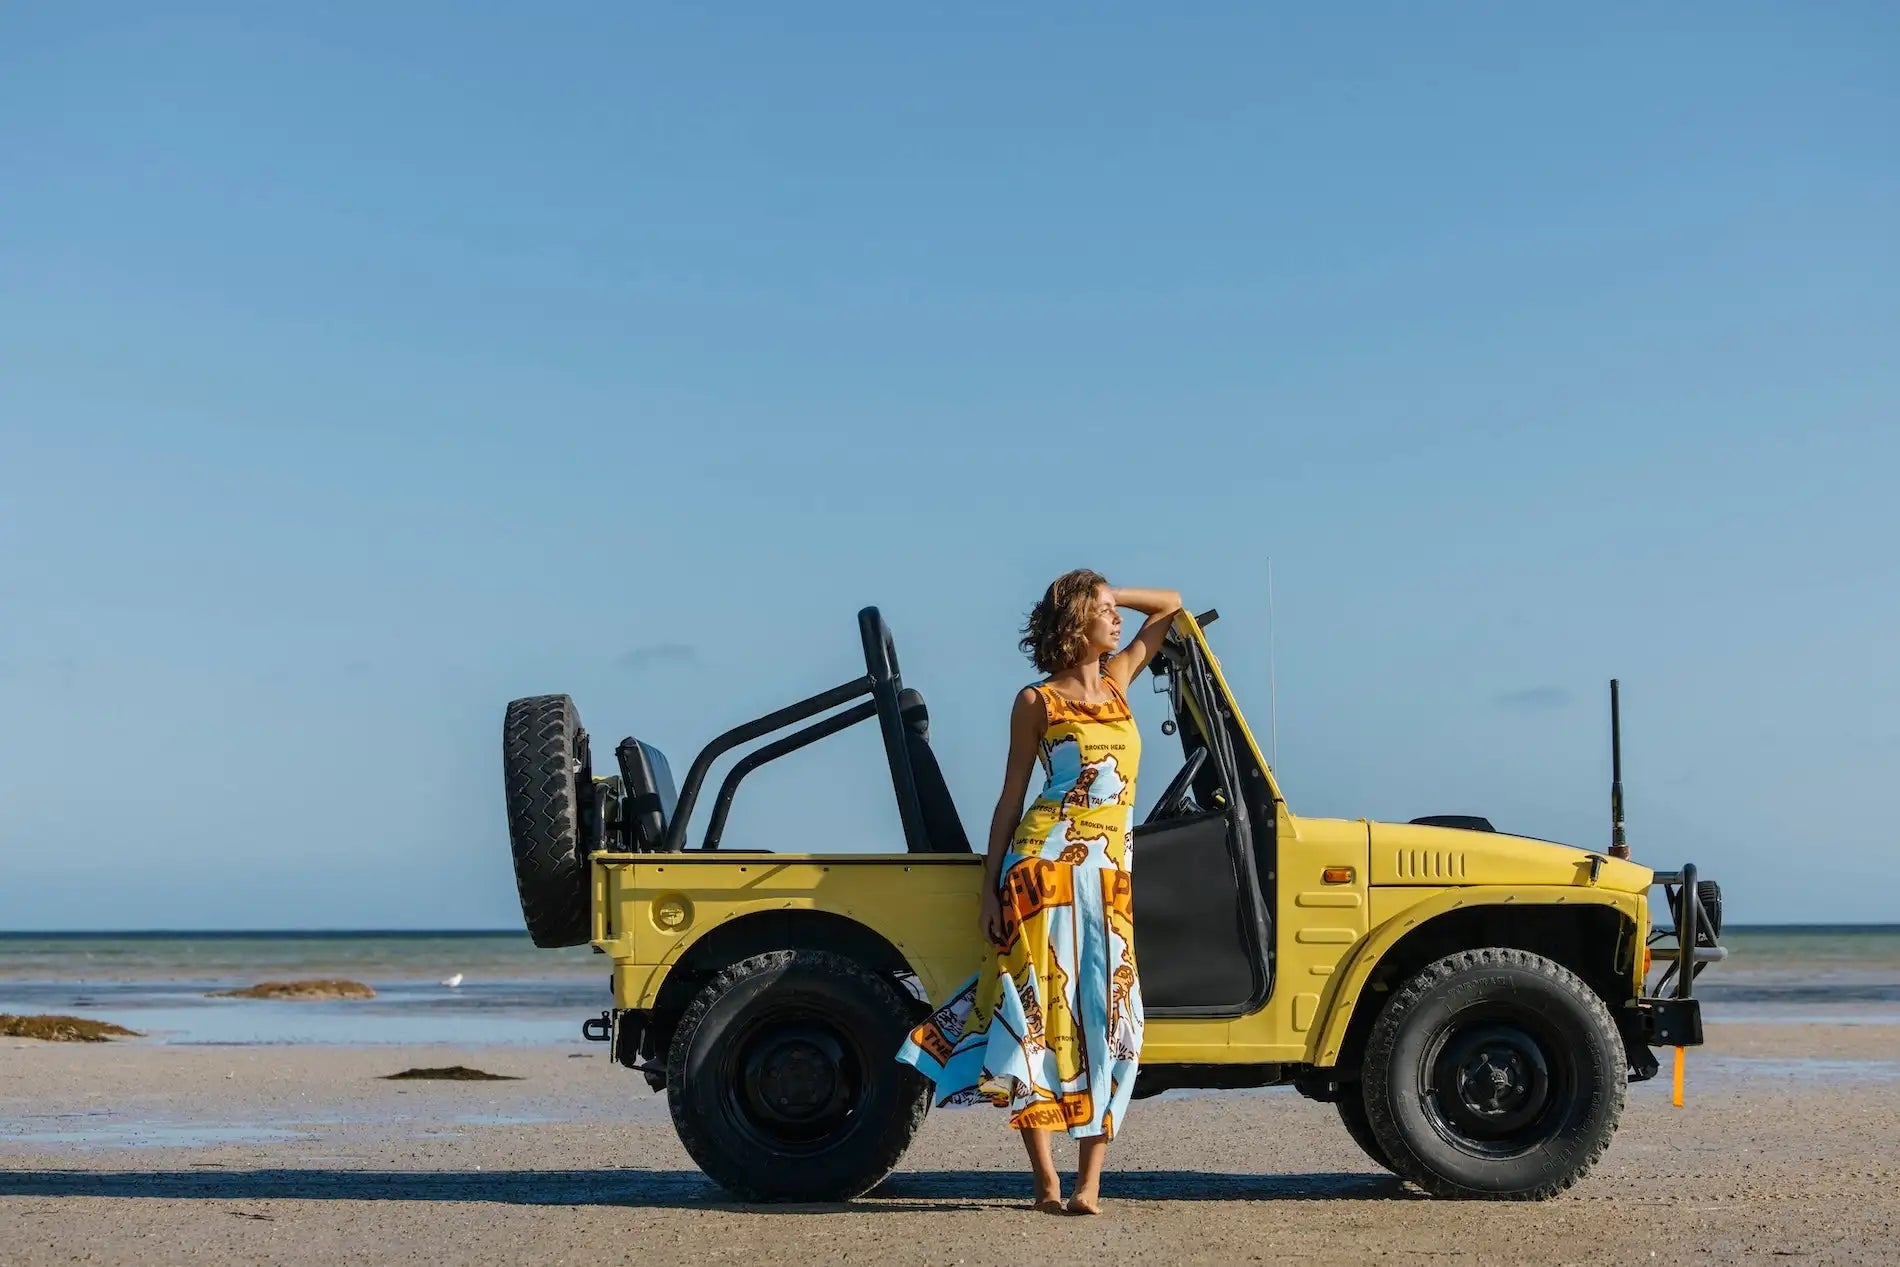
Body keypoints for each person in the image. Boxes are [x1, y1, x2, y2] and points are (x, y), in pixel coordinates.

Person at [897, 570, 1181, 1215]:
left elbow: (1171, 606)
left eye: (1115, 611)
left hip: (1108, 881)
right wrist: (988, 888)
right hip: (1040, 871)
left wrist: (1109, 591)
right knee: (1033, 1019)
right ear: (1076, 623)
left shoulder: (1120, 682)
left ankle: (1091, 1183)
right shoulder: (1037, 702)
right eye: (1103, 612)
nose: (1116, 621)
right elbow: (1011, 797)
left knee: (1108, 1019)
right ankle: (1047, 1180)